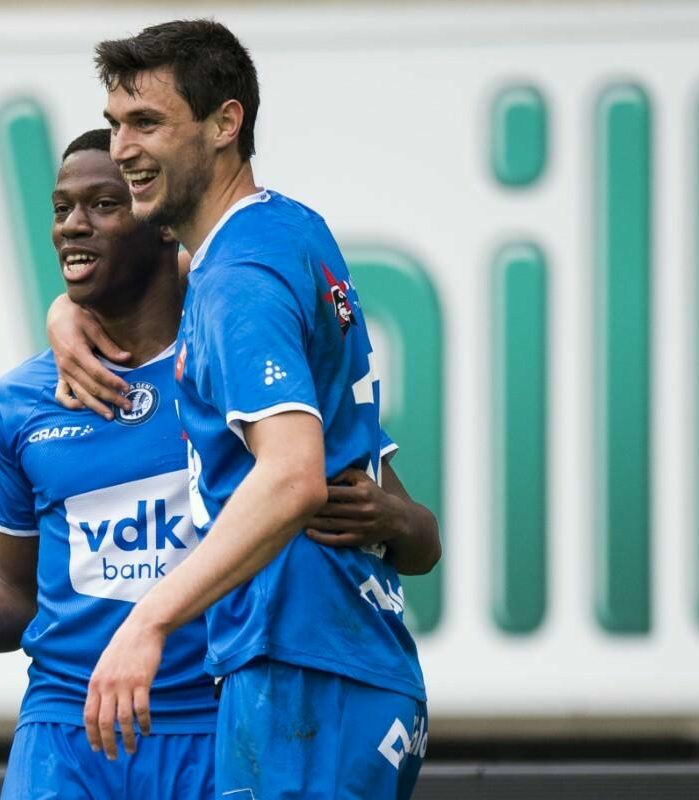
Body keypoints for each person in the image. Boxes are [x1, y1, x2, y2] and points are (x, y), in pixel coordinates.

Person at [0, 128, 439, 799]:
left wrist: (394, 520)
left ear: (162, 227)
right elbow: (14, 590)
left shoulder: (235, 360)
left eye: (103, 205)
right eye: (61, 208)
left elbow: (420, 538)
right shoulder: (20, 401)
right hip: (65, 732)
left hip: (213, 722)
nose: (72, 226)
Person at [51, 19, 433, 799]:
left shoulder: (237, 278)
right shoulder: (285, 229)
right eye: (116, 124)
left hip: (302, 670)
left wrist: (148, 620)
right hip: (345, 666)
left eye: (147, 122)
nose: (123, 149)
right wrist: (68, 311)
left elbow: (291, 477)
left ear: (226, 123)